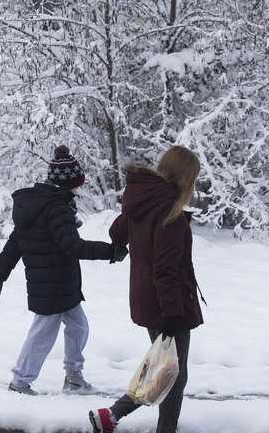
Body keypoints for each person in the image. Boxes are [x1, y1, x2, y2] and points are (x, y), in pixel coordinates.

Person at [0, 145, 128, 396]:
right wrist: (110, 251)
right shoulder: (56, 208)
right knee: (43, 334)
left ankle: (74, 378)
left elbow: (14, 244)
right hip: (51, 286)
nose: (79, 189)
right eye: (77, 184)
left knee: (79, 327)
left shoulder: (41, 206)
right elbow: (72, 246)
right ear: (69, 183)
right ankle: (20, 382)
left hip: (62, 284)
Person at [90, 146, 205, 433]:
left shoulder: (144, 200)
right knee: (172, 374)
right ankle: (118, 416)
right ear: (185, 176)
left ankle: (112, 416)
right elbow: (165, 270)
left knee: (164, 368)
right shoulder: (170, 213)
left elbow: (117, 234)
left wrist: (131, 218)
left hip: (148, 300)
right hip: (168, 305)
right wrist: (172, 314)